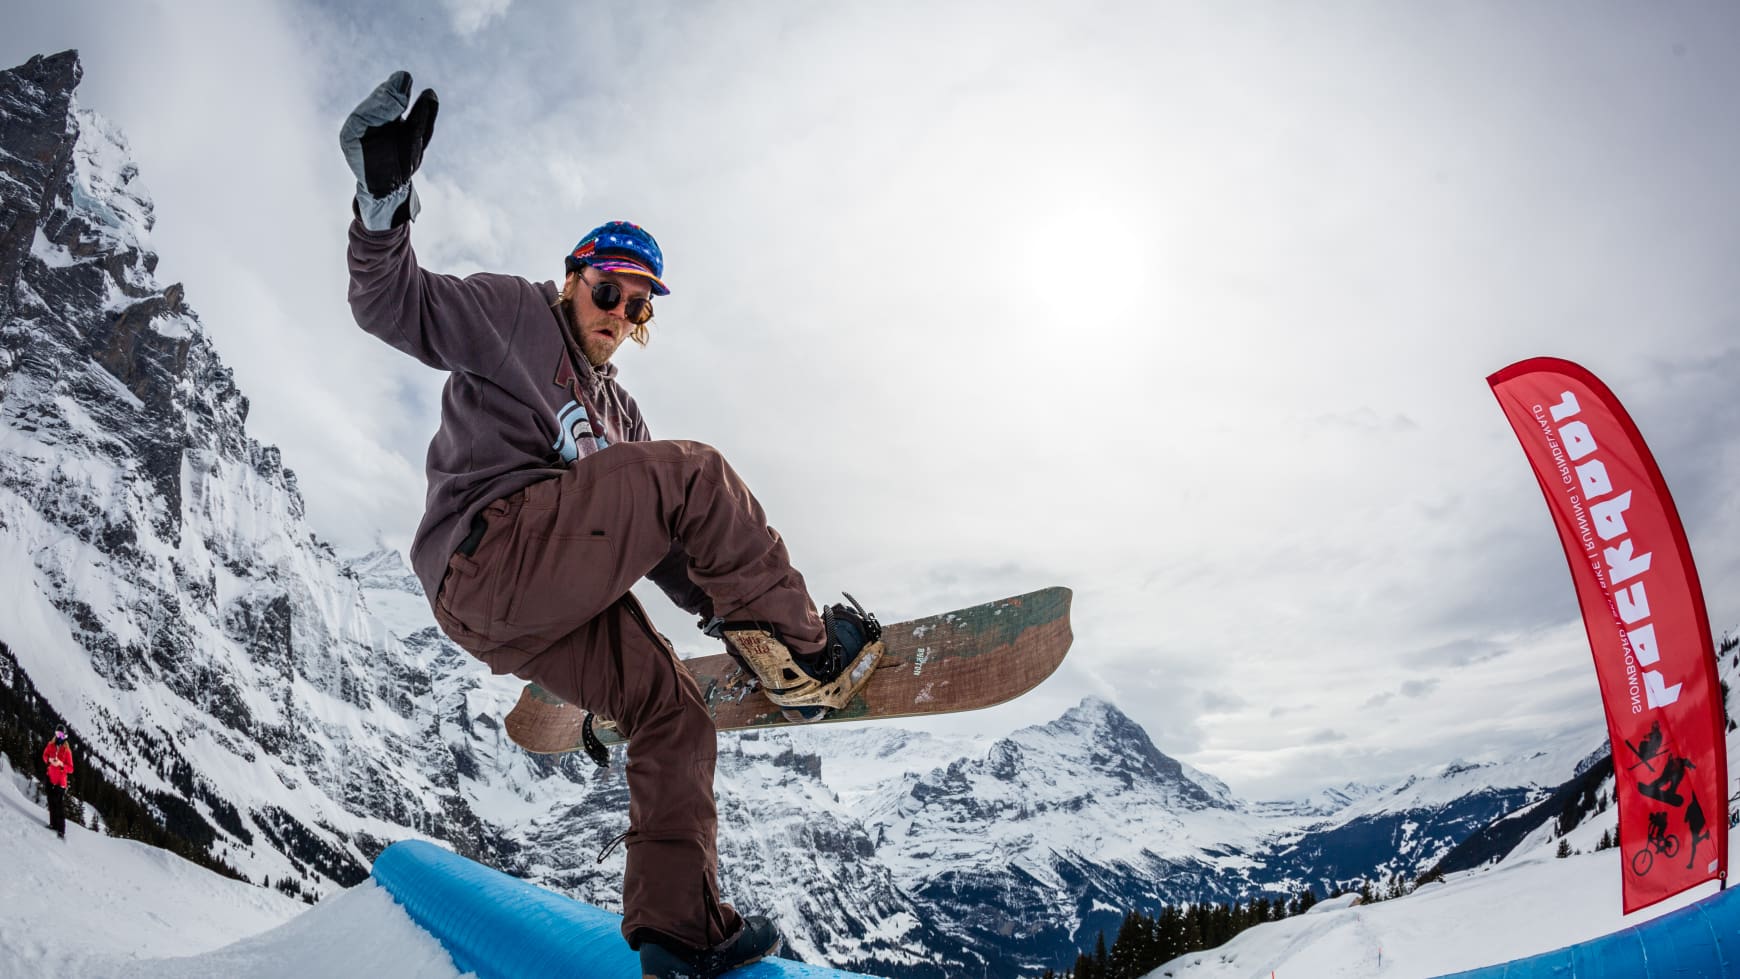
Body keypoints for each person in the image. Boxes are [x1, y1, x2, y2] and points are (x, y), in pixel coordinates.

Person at [340, 72, 883, 977]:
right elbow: (393, 303)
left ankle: (680, 935)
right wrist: (381, 207)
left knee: (673, 710)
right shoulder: (513, 313)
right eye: (606, 293)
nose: (620, 317)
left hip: (535, 609)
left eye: (639, 308)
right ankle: (810, 652)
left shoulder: (621, 417)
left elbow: (669, 543)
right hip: (489, 552)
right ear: (572, 279)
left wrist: (721, 615)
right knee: (693, 469)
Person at [42, 728, 73, 839]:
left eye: (62, 735)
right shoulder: (50, 745)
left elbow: (71, 769)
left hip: (60, 782)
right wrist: (49, 760)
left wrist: (61, 764)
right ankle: (53, 824)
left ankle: (61, 830)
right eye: (58, 734)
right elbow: (44, 755)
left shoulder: (67, 751)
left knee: (58, 805)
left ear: (65, 737)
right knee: (51, 802)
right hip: (50, 778)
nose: (59, 737)